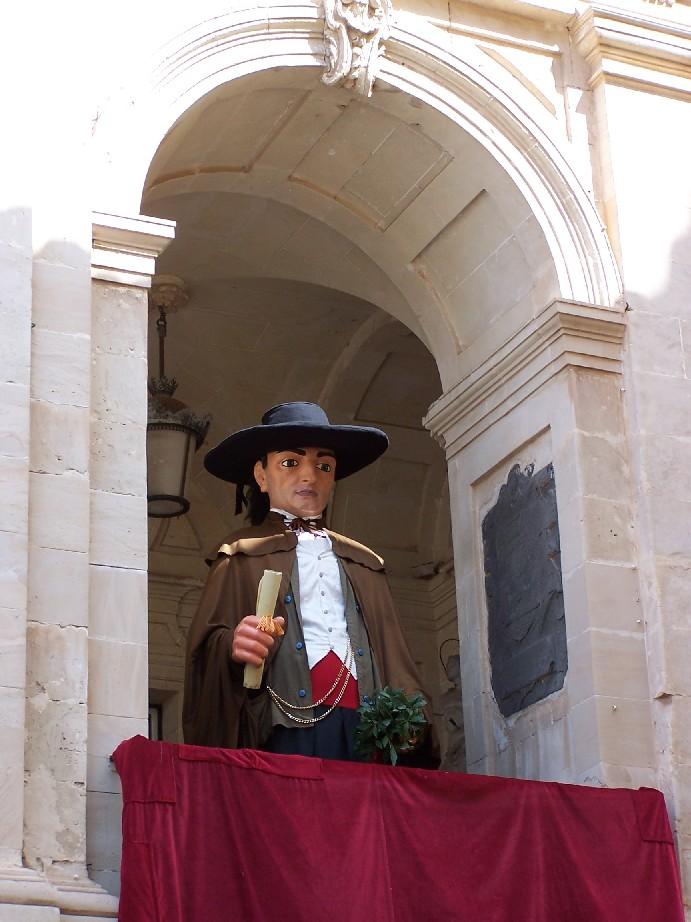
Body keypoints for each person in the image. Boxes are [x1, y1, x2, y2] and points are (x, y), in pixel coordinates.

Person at [182, 401, 437, 763]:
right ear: (261, 475)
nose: (309, 476)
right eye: (290, 462)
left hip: (363, 728)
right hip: (283, 726)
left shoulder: (363, 562)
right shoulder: (240, 556)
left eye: (324, 466)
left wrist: (412, 715)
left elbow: (394, 654)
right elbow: (204, 651)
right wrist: (232, 644)